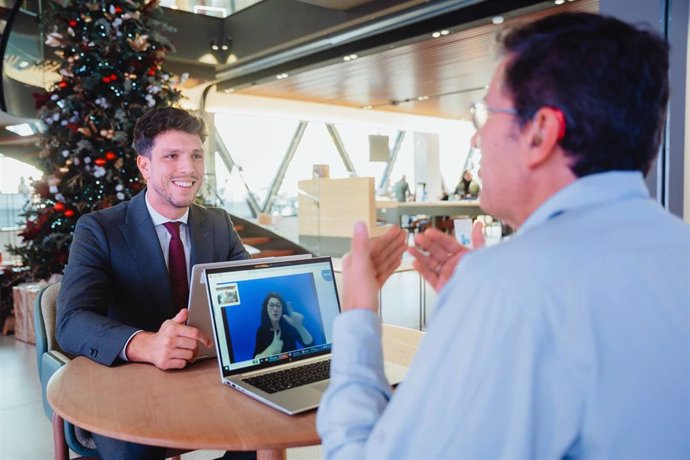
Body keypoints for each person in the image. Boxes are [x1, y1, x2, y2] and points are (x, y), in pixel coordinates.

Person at [317, 12, 689, 459]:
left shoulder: (507, 289)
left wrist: (358, 314)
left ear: (540, 133)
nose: (477, 139)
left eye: (487, 113)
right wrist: (474, 315)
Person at [56, 107, 252, 459]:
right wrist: (146, 345)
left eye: (195, 156)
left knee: (262, 432)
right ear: (144, 166)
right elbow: (72, 321)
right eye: (171, 156)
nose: (187, 169)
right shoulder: (99, 229)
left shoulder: (218, 223)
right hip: (127, 384)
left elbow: (249, 293)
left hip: (204, 374)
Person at [253, 292, 314, 358]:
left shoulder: (289, 326)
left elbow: (311, 346)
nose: (275, 309)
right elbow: (255, 360)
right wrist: (270, 350)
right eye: (271, 305)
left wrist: (300, 327)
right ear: (266, 308)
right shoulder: (262, 330)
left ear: (282, 309)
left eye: (278, 305)